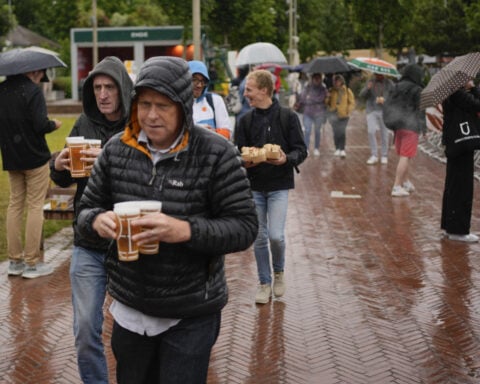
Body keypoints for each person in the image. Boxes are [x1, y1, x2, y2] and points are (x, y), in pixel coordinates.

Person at [76, 56, 258, 383]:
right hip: (130, 308)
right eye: (144, 104)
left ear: (183, 106)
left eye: (163, 105)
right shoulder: (117, 150)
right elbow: (85, 211)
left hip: (190, 312)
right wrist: (97, 221)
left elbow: (244, 228)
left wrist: (184, 230)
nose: (151, 115)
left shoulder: (217, 153)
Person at [50, 56, 133, 383]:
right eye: (97, 87)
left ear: (122, 89)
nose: (102, 94)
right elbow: (65, 179)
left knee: (133, 336)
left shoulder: (137, 125)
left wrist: (111, 159)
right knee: (85, 329)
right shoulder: (83, 124)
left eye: (109, 87)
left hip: (128, 240)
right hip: (88, 242)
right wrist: (57, 166)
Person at [235, 69, 307, 304]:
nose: (245, 94)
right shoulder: (244, 120)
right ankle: (264, 282)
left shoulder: (287, 116)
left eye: (249, 89)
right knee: (258, 236)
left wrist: (287, 159)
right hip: (254, 187)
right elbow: (239, 154)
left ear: (264, 90)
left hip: (278, 186)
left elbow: (301, 150)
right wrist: (246, 160)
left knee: (276, 236)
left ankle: (279, 271)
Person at [0, 68, 62, 278]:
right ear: (33, 71)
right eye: (40, 73)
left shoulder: (2, 90)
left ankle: (15, 262)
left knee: (15, 205)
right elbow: (40, 124)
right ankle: (32, 264)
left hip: (12, 157)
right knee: (36, 206)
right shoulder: (32, 91)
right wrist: (53, 124)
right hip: (34, 157)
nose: (41, 76)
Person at [441, 79, 480, 242]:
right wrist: (474, 89)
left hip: (455, 143)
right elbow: (476, 105)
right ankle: (459, 230)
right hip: (462, 144)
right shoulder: (456, 93)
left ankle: (451, 226)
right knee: (462, 187)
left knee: (453, 185)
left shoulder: (450, 93)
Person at [389, 64, 426, 197]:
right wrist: (424, 129)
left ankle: (406, 181)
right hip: (411, 126)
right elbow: (421, 110)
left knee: (405, 155)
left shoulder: (397, 86)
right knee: (405, 156)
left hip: (397, 126)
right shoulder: (417, 89)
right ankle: (397, 185)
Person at [188, 60, 232, 140]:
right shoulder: (176, 104)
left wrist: (213, 133)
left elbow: (227, 133)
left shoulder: (214, 100)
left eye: (203, 81)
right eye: (194, 80)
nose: (199, 85)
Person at [360, 73, 395, 164]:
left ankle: (384, 155)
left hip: (384, 110)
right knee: (371, 131)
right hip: (371, 110)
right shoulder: (370, 81)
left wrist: (386, 100)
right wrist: (367, 88)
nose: (379, 75)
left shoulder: (389, 83)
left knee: (384, 133)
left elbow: (395, 95)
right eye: (377, 74)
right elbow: (362, 95)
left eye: (381, 74)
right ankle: (374, 155)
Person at [325, 74, 356, 157]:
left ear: (341, 81)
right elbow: (326, 103)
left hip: (344, 115)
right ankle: (337, 148)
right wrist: (327, 97)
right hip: (333, 114)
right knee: (336, 132)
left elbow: (352, 102)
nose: (336, 82)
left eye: (338, 80)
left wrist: (347, 110)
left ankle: (342, 149)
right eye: (335, 81)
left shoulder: (346, 90)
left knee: (342, 131)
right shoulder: (331, 91)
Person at [296, 73, 327, 156]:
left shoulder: (323, 88)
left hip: (319, 113)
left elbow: (321, 98)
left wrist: (310, 99)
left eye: (318, 78)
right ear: (312, 79)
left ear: (321, 79)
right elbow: (302, 98)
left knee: (317, 131)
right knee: (307, 130)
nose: (317, 80)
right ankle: (306, 148)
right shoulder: (307, 87)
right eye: (315, 78)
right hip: (308, 112)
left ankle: (316, 148)